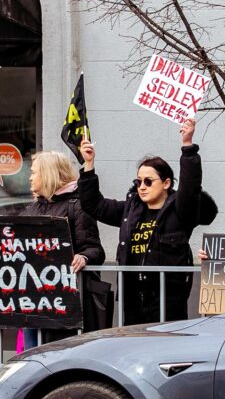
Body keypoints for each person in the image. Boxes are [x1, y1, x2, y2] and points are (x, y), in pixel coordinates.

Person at [78, 118, 213, 325]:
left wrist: (188, 145)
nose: (142, 186)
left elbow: (191, 185)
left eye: (148, 181)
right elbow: (93, 205)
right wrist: (88, 164)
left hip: (167, 301)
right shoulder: (129, 210)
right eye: (138, 181)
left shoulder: (180, 211)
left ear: (166, 183)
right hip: (131, 299)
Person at [19, 151, 106, 350]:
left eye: (34, 173)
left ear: (48, 174)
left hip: (65, 302)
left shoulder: (77, 206)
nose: (30, 177)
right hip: (34, 299)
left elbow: (95, 249)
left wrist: (83, 257)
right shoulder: (33, 209)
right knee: (32, 355)